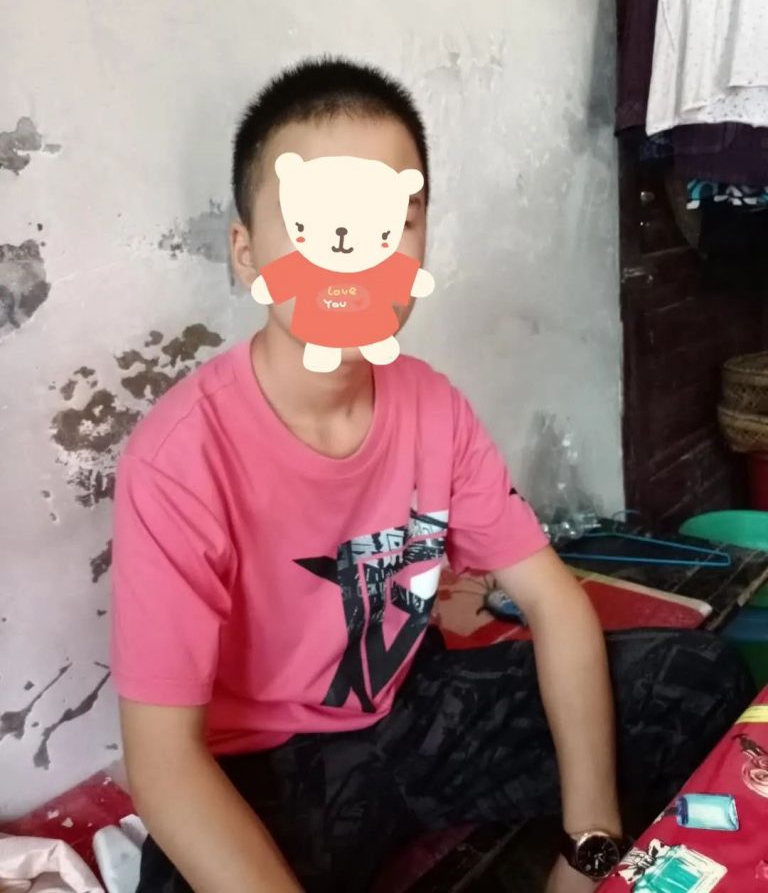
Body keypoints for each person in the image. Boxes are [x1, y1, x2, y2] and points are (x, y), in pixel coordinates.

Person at [111, 57, 753, 893]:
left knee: (697, 680)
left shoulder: (432, 406)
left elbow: (554, 603)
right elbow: (163, 765)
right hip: (273, 765)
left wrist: (587, 843)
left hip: (418, 711)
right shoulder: (179, 458)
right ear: (246, 252)